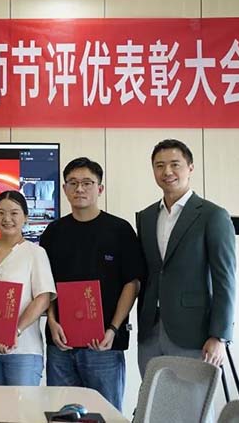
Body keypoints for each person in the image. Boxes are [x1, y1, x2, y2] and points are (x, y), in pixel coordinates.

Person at [40, 158, 145, 412]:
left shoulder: (119, 230)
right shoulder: (53, 232)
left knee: (105, 414)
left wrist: (113, 329)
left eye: (87, 183)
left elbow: (132, 283)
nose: (80, 189)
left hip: (104, 346)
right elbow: (45, 285)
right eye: (73, 183)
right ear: (64, 189)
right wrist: (51, 322)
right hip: (61, 345)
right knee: (62, 414)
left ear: (100, 188)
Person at [136, 139, 236, 376]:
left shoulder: (213, 215)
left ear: (190, 168)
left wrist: (219, 336)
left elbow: (225, 280)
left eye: (175, 164)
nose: (167, 172)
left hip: (194, 333)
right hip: (151, 330)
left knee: (191, 398)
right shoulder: (146, 217)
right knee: (152, 396)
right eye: (160, 166)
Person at [0, 190, 56, 386]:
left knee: (23, 405)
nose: (7, 219)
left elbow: (43, 297)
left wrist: (15, 331)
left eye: (14, 213)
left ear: (25, 217)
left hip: (24, 351)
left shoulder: (35, 253)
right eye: (1, 213)